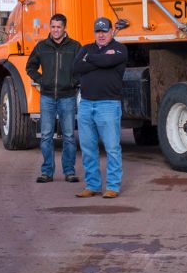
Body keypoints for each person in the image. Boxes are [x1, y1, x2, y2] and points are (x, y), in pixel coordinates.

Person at [72, 17, 128, 198]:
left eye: (105, 31)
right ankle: (93, 185)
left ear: (111, 31)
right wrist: (101, 58)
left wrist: (92, 60)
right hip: (86, 104)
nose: (101, 35)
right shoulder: (86, 48)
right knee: (88, 148)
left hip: (109, 105)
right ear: (94, 32)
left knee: (112, 148)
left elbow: (107, 63)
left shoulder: (120, 49)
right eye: (98, 31)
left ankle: (112, 186)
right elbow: (76, 66)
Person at [25, 13, 82, 183]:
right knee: (46, 135)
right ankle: (47, 172)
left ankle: (69, 172)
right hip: (47, 97)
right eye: (53, 27)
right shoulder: (42, 46)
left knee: (69, 136)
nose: (55, 30)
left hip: (68, 97)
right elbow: (30, 67)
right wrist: (42, 80)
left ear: (64, 28)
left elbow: (83, 67)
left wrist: (74, 82)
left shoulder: (75, 47)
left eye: (59, 27)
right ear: (50, 27)